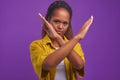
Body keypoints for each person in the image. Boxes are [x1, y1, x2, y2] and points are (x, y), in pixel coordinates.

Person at [30, 1, 93, 80]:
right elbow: (47, 65)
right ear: (48, 20)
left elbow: (79, 65)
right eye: (56, 21)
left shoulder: (75, 45)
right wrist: (77, 37)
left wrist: (58, 38)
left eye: (65, 23)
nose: (60, 27)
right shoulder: (36, 45)